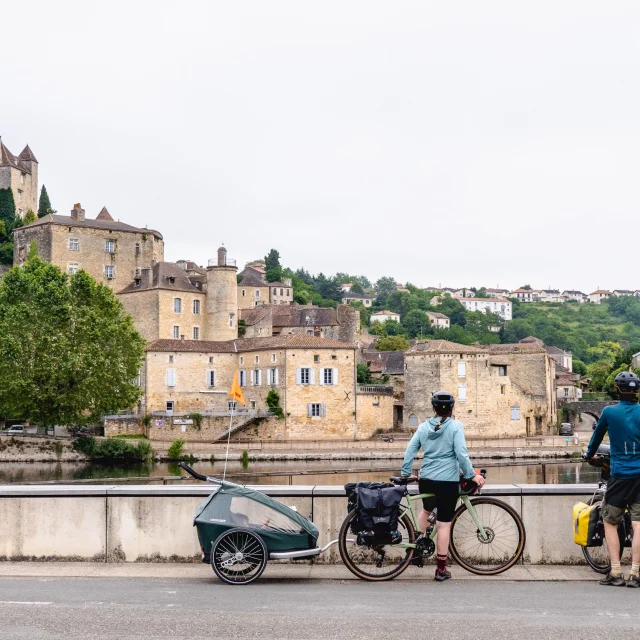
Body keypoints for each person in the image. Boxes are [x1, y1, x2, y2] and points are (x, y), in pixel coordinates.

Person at [401, 390, 485, 581]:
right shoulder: (456, 427)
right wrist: (472, 475)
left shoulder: (423, 427)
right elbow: (461, 454)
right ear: (452, 408)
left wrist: (406, 473)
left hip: (427, 480)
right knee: (444, 525)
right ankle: (440, 569)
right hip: (447, 482)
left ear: (434, 408)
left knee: (426, 510)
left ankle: (415, 551)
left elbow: (410, 450)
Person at [587, 370, 640, 587]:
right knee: (638, 524)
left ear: (617, 390)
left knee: (610, 521)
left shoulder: (609, 412)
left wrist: (590, 454)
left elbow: (596, 437)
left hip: (619, 475)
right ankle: (636, 574)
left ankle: (616, 572)